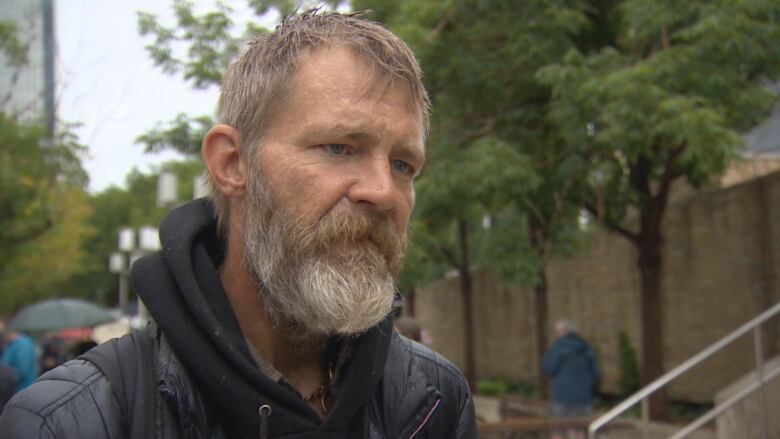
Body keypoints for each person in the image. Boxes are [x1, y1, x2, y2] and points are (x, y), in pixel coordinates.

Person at [0, 10, 476, 438]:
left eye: (403, 165)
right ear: (232, 164)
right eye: (339, 148)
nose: (383, 192)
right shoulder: (70, 420)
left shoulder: (434, 401)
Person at [541, 319, 600, 439]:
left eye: (557, 331)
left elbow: (548, 367)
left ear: (563, 331)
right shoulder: (586, 347)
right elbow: (596, 374)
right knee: (580, 430)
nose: (557, 334)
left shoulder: (559, 345)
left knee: (558, 430)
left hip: (561, 397)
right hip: (583, 398)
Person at [0, 324, 36, 393]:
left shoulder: (23, 344)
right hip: (14, 388)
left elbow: (23, 370)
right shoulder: (13, 344)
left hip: (21, 389)